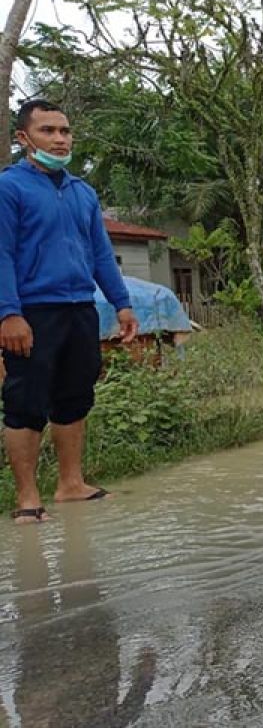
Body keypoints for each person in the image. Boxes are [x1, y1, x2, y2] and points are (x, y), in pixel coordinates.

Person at [0, 99, 138, 525]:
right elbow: (1, 254)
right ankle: (27, 496)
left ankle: (71, 484)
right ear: (24, 138)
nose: (60, 139)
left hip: (80, 308)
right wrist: (8, 313)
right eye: (48, 131)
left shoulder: (83, 192)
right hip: (32, 312)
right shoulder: (9, 188)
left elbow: (99, 254)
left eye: (64, 131)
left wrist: (123, 303)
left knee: (74, 397)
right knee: (26, 401)